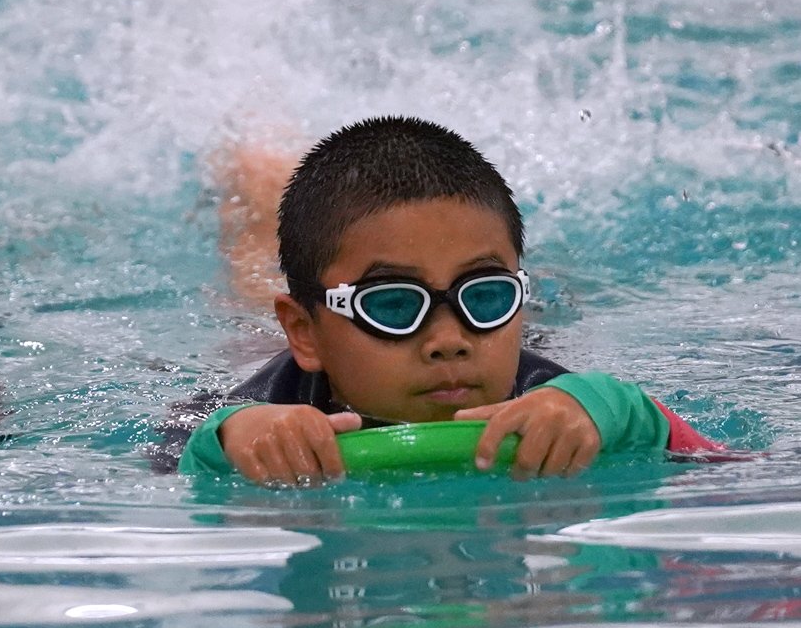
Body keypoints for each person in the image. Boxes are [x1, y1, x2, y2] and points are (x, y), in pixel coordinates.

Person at [163, 117, 721, 486]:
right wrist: (232, 437)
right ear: (305, 333)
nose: (449, 341)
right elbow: (186, 458)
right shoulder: (266, 403)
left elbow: (726, 469)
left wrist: (617, 409)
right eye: (393, 305)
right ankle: (255, 169)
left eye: (492, 295)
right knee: (252, 296)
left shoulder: (547, 396)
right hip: (294, 346)